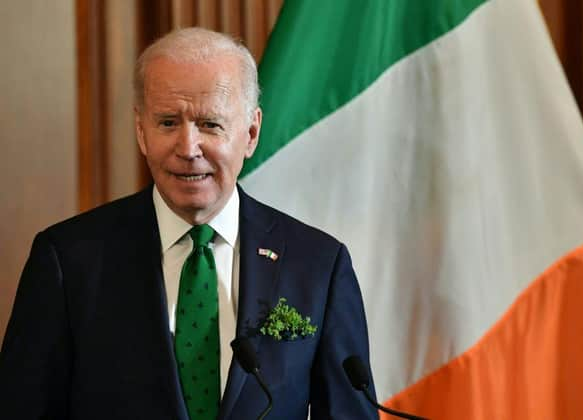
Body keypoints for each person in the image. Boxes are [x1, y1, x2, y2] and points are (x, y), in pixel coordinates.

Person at [0, 28, 377, 419]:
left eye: (210, 124)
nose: (187, 148)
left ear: (250, 133)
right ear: (141, 131)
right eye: (167, 123)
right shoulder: (68, 260)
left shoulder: (317, 264)